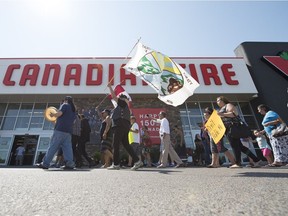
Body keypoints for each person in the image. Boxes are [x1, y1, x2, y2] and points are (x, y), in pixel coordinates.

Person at [216, 96, 261, 168]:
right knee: (240, 147)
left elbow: (234, 113)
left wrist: (222, 114)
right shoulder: (221, 109)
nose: (217, 102)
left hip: (232, 128)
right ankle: (256, 160)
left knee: (234, 146)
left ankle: (238, 163)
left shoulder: (228, 105)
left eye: (218, 100)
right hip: (228, 129)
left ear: (223, 100)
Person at [107, 83, 143, 170]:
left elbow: (114, 97)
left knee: (115, 144)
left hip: (119, 126)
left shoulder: (122, 103)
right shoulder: (127, 108)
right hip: (124, 126)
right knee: (126, 144)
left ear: (123, 98)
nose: (118, 99)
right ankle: (137, 161)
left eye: (120, 97)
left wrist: (110, 87)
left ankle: (116, 164)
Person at [36, 96, 76, 169]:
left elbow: (59, 114)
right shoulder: (74, 110)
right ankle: (70, 164)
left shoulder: (65, 105)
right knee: (67, 148)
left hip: (60, 130)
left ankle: (45, 163)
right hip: (68, 132)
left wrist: (52, 114)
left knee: (53, 147)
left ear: (66, 100)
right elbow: (73, 122)